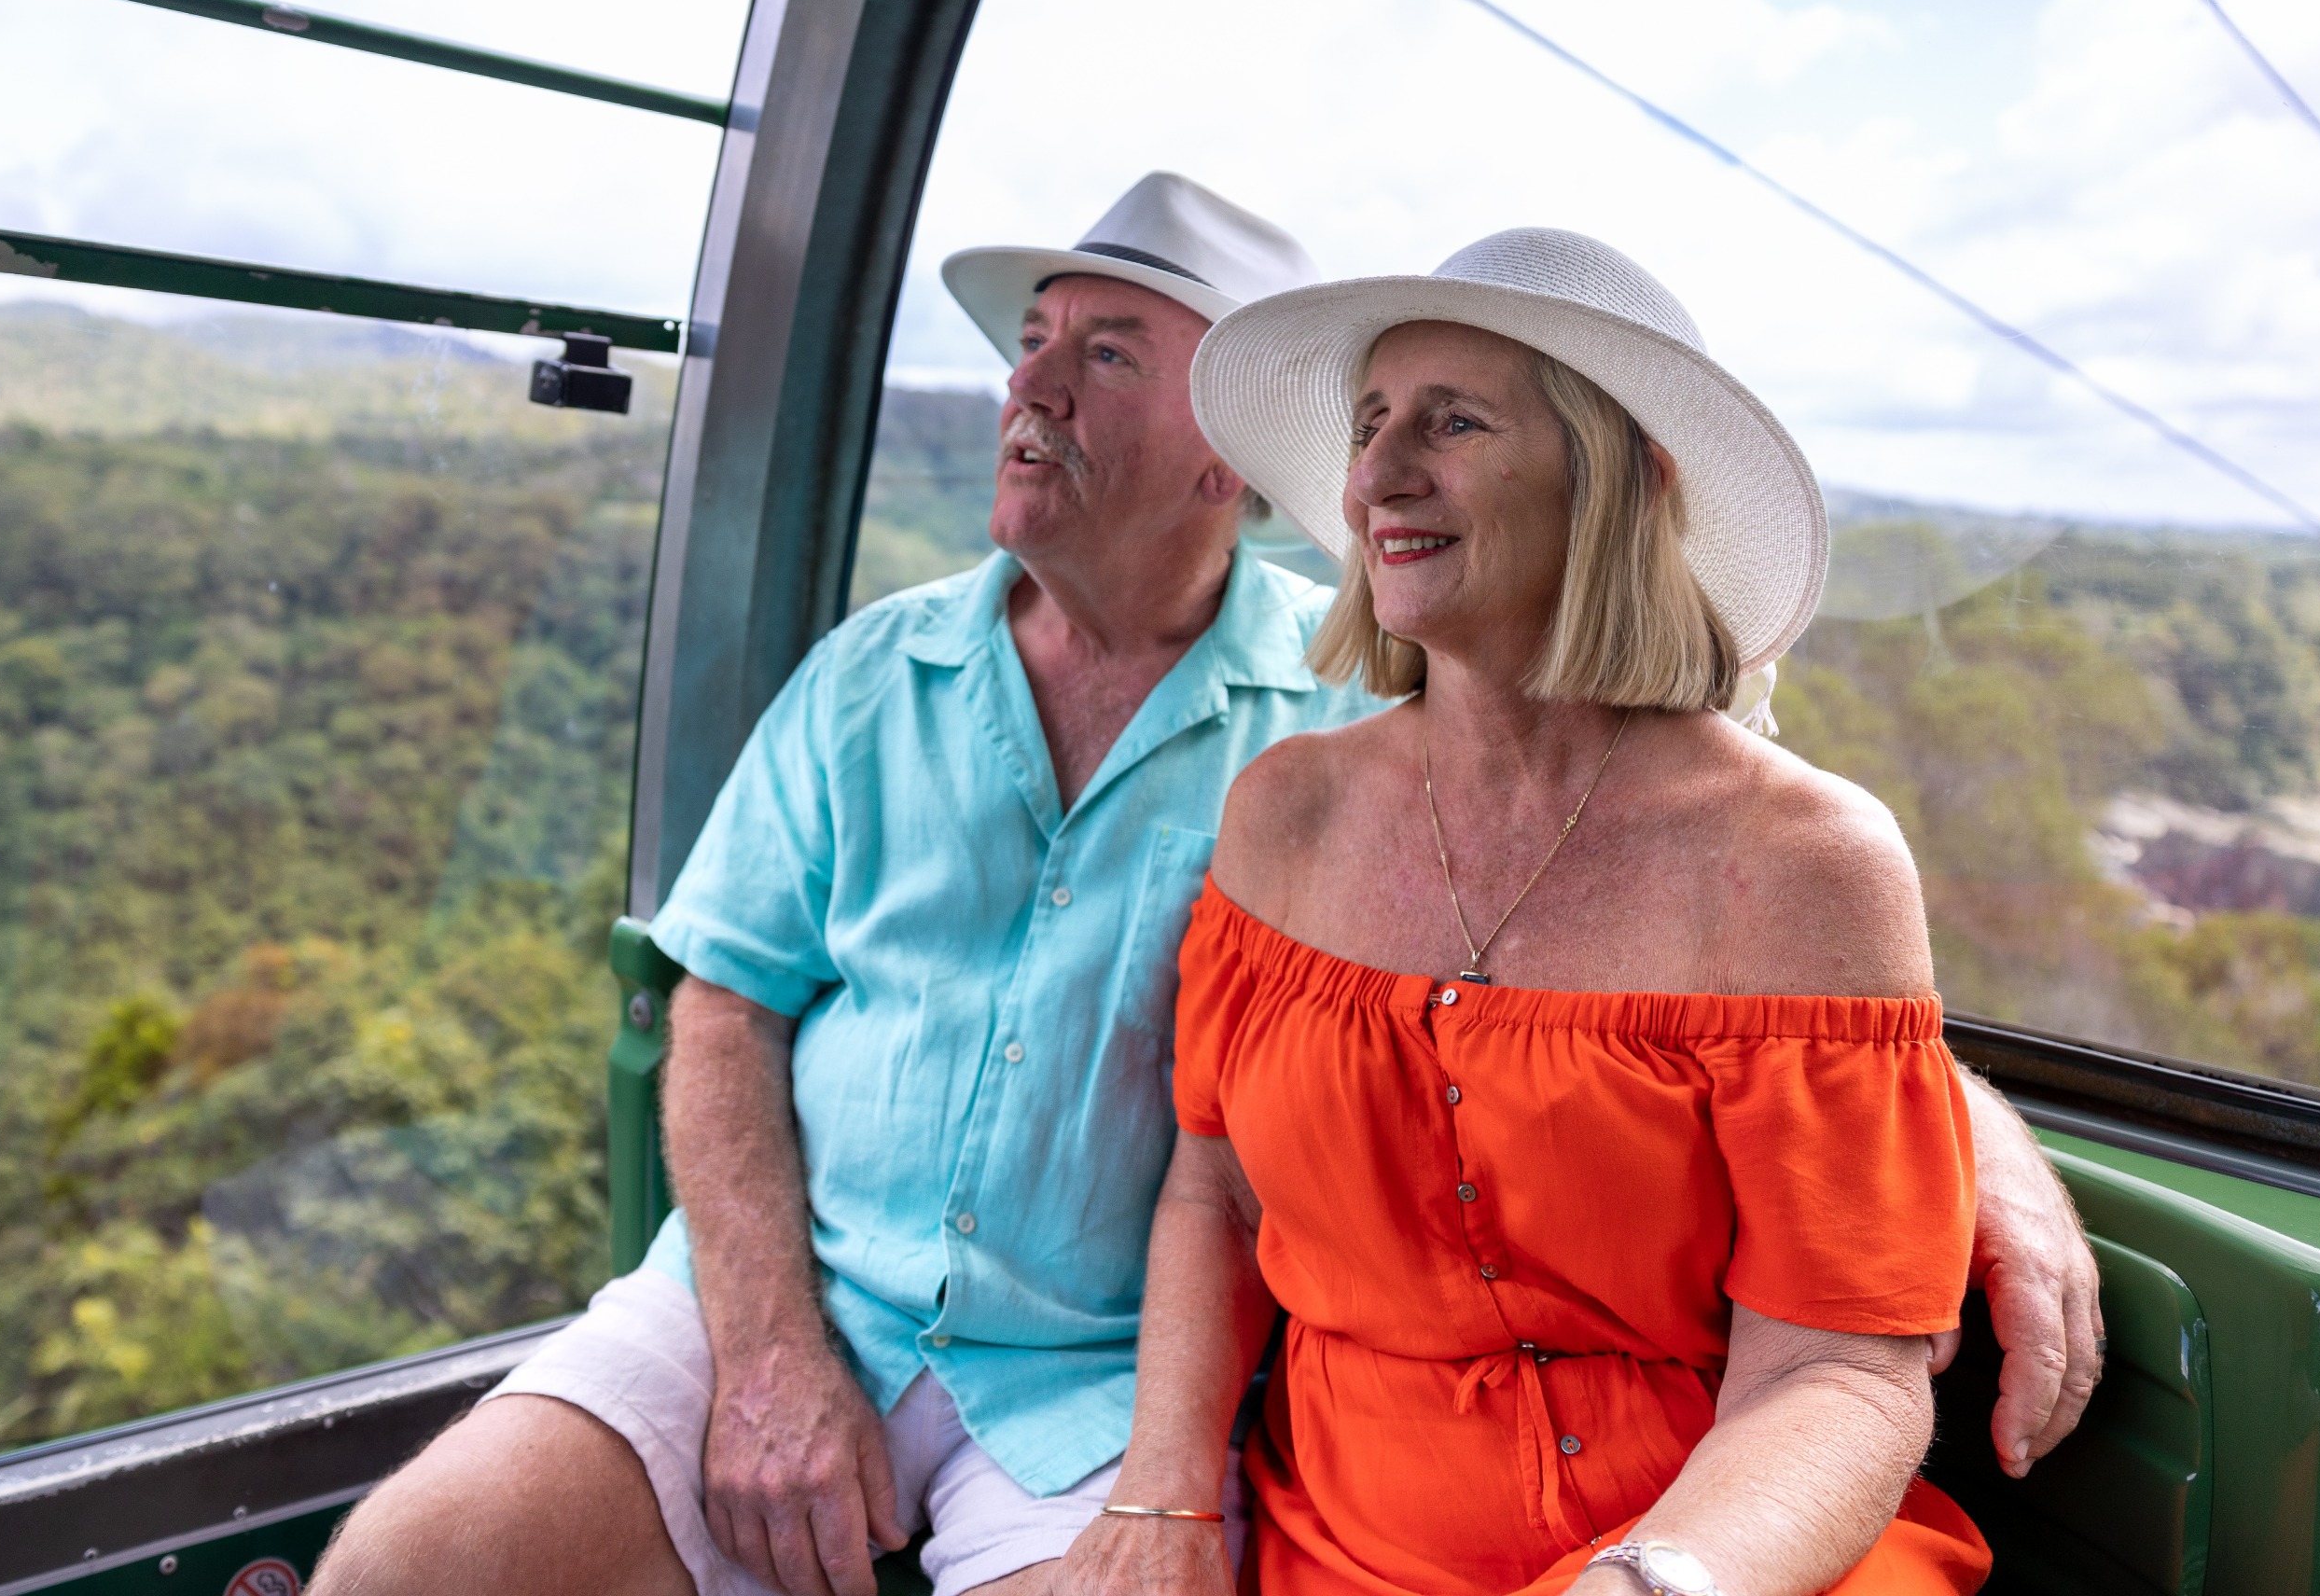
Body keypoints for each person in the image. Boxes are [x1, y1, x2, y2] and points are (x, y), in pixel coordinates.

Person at [311, 187, 2098, 1596]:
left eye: (1104, 354)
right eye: (1033, 345)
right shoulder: (952, 702)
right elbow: (731, 1000)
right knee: (403, 1570)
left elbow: (1722, 955)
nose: (1029, 386)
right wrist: (772, 1348)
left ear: (1224, 463)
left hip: (1081, 1394)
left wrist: (1964, 1114)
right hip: (816, 1310)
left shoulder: (1347, 721)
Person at [1063, 229, 2010, 1596]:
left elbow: (1840, 1371)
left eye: (1453, 422)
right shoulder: (1287, 815)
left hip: (1720, 1546)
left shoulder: (1801, 862)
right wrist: (1162, 1506)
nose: (1379, 475)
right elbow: (1213, 1190)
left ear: (1624, 482)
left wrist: (1652, 1582)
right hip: (1344, 1545)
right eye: (1372, 422)